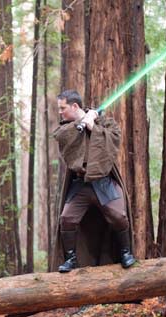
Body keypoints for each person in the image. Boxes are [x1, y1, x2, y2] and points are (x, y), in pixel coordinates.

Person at [52, 90, 136, 272]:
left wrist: (92, 127)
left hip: (103, 183)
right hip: (81, 184)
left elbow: (114, 140)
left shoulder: (103, 122)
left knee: (119, 217)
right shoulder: (66, 128)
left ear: (75, 106)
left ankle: (125, 253)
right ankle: (71, 259)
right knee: (67, 219)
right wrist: (81, 123)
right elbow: (62, 137)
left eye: (63, 108)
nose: (60, 112)